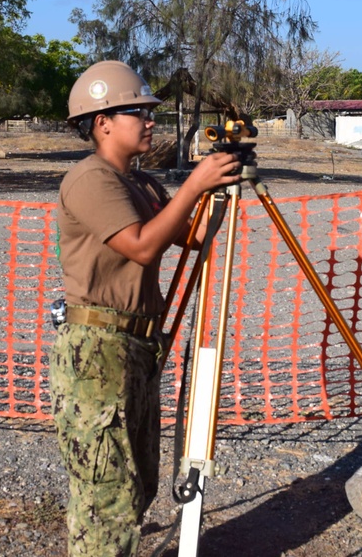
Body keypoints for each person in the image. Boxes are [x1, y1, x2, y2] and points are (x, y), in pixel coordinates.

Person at [51, 60, 241, 556]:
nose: (150, 121)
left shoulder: (142, 183)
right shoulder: (90, 179)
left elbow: (193, 236)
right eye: (139, 111)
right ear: (103, 122)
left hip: (137, 343)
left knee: (138, 482)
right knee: (106, 493)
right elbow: (141, 246)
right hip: (97, 350)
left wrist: (222, 185)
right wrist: (196, 184)